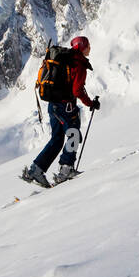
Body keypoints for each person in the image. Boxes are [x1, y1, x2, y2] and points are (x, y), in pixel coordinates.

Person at [22, 36, 100, 188]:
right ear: (82, 47)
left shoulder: (66, 58)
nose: (89, 47)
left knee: (57, 139)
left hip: (53, 105)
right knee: (73, 133)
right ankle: (66, 169)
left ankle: (35, 170)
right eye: (87, 45)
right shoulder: (78, 64)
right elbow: (77, 90)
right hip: (66, 106)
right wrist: (90, 103)